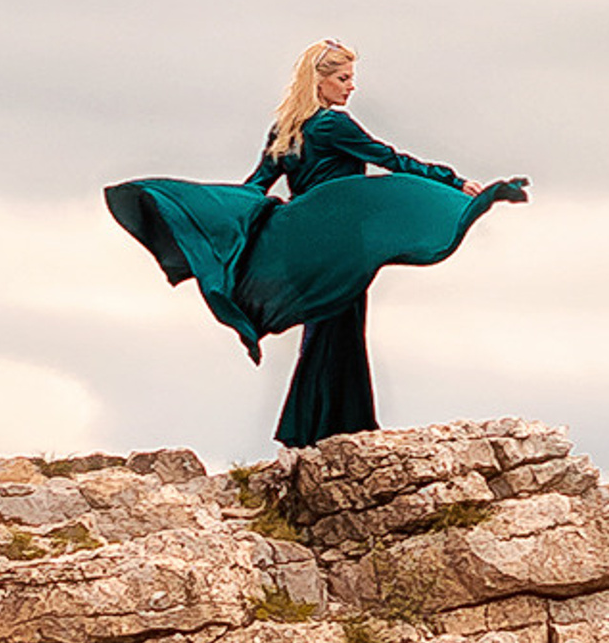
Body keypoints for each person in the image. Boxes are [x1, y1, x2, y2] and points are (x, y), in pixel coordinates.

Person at [104, 40, 527, 446]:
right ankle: (331, 430)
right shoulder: (332, 125)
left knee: (327, 327)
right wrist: (453, 181)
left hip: (304, 245)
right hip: (340, 245)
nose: (351, 85)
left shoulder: (286, 130)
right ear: (319, 81)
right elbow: (392, 160)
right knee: (337, 328)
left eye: (350, 77)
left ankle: (322, 430)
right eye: (343, 77)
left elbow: (256, 185)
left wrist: (224, 216)